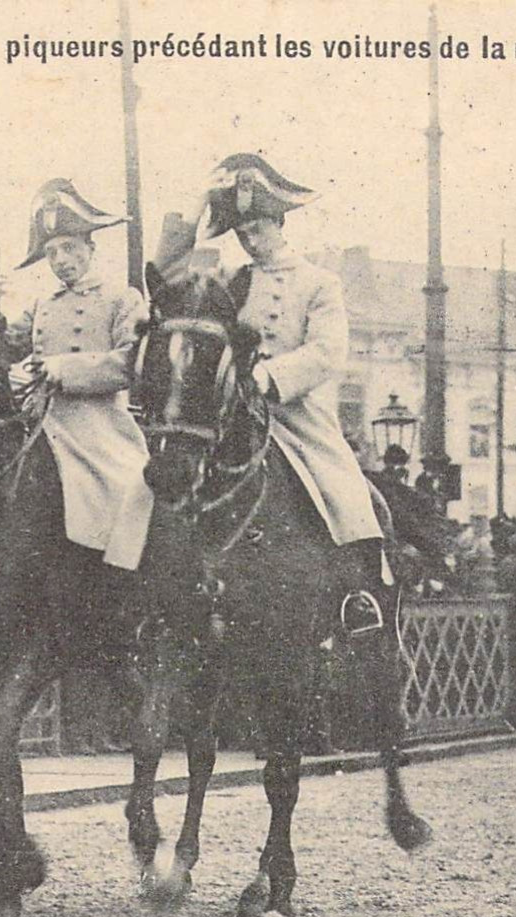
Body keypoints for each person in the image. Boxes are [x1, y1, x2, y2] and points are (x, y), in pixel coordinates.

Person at [156, 153, 390, 631]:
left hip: (296, 418)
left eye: (258, 227)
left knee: (347, 495)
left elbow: (327, 353)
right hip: (227, 416)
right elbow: (165, 279)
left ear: (279, 223)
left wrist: (268, 377)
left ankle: (359, 601)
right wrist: (195, 204)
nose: (250, 238)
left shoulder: (319, 283)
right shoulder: (226, 283)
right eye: (241, 231)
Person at [0, 178, 154, 751]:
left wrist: (62, 368)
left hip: (99, 428)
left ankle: (123, 596)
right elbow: (6, 353)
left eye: (70, 249)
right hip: (42, 422)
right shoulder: (40, 305)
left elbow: (130, 364)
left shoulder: (122, 297)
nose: (61, 260)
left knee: (127, 492)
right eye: (53, 252)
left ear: (90, 247)